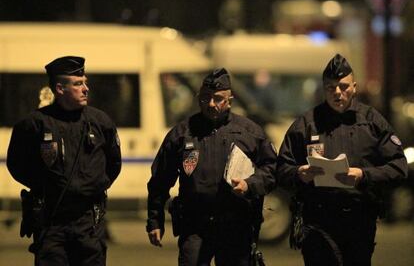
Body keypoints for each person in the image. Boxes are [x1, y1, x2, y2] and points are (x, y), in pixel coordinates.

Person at [276, 53, 408, 266]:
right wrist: (299, 173)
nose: (337, 92)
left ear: (354, 87)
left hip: (359, 219)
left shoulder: (372, 122)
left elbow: (399, 167)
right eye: (330, 87)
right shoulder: (306, 124)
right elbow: (281, 169)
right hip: (318, 220)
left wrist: (363, 175)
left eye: (344, 87)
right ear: (323, 89)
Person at [146, 68, 277, 266]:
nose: (211, 104)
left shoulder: (250, 133)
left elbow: (271, 169)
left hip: (236, 225)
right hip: (195, 225)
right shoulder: (183, 133)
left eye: (218, 99)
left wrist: (250, 184)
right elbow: (160, 179)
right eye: (205, 98)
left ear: (230, 100)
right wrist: (155, 220)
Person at [7, 56, 122, 266]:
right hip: (52, 222)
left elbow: (114, 164)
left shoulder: (100, 122)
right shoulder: (34, 125)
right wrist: (45, 186)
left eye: (85, 82)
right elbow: (16, 165)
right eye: (78, 84)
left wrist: (91, 187)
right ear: (60, 89)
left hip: (89, 222)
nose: (86, 88)